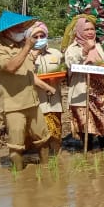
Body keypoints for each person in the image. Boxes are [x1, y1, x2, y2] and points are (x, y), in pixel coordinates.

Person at [0, 10, 52, 170]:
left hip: (32, 102)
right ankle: (18, 174)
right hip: (13, 106)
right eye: (17, 28)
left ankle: (46, 168)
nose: (22, 30)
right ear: (7, 31)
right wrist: (27, 48)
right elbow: (11, 67)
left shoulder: (23, 46)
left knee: (43, 139)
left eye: (22, 27)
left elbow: (29, 73)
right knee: (16, 145)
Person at [63, 14, 104, 150]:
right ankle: (88, 152)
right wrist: (85, 50)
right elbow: (71, 64)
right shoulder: (72, 49)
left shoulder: (98, 47)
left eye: (92, 29)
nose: (90, 32)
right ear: (79, 31)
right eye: (86, 30)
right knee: (85, 127)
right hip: (83, 92)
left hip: (101, 93)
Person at [32, 22, 64, 155]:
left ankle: (56, 156)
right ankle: (43, 156)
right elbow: (28, 77)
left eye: (42, 35)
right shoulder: (27, 56)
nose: (39, 39)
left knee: (56, 130)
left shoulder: (56, 54)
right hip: (37, 100)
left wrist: (59, 78)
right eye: (36, 36)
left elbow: (63, 71)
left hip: (55, 100)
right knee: (41, 132)